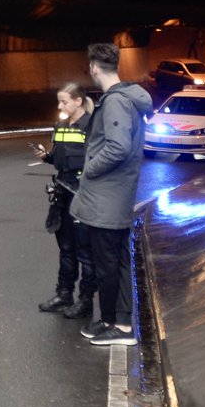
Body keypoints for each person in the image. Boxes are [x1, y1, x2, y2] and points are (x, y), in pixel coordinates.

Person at [69, 43, 153, 345]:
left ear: (93, 67)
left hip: (108, 198)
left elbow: (118, 147)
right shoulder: (122, 98)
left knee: (108, 264)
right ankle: (113, 321)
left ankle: (119, 326)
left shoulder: (117, 102)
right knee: (113, 261)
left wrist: (91, 167)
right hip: (112, 197)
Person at [35, 83, 98, 319]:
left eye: (65, 101)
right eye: (59, 101)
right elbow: (60, 158)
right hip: (62, 192)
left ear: (78, 101)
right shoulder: (61, 124)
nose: (60, 106)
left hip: (82, 194)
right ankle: (64, 294)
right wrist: (47, 157)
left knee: (84, 250)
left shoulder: (91, 126)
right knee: (66, 248)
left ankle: (85, 301)